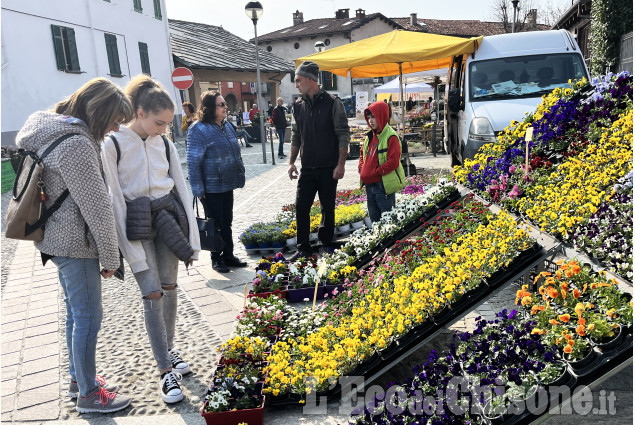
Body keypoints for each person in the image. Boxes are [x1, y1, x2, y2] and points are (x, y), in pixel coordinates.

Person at [15, 78, 133, 413]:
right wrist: (111, 258)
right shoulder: (77, 145)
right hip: (74, 243)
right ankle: (89, 396)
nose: (114, 129)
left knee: (74, 313)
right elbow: (97, 208)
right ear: (98, 114)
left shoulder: (48, 126)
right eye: (113, 121)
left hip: (53, 237)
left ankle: (77, 379)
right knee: (88, 318)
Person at [101, 75, 200, 404]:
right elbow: (114, 198)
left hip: (166, 219)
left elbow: (181, 188)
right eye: (160, 122)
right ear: (140, 112)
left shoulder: (165, 143)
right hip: (136, 225)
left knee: (171, 290)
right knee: (152, 294)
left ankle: (169, 351)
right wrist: (124, 251)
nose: (164, 129)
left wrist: (193, 238)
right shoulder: (113, 143)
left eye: (168, 123)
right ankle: (163, 371)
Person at [288, 61, 350, 258]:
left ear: (309, 79)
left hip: (328, 167)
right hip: (307, 168)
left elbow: (343, 133)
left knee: (327, 208)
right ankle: (303, 248)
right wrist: (291, 162)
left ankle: (325, 245)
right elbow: (296, 135)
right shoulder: (298, 106)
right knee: (301, 207)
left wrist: (340, 164)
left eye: (298, 80)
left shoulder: (333, 102)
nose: (296, 84)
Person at [187, 91, 248, 273]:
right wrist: (198, 188)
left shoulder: (226, 126)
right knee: (216, 224)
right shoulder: (198, 129)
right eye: (221, 105)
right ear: (210, 108)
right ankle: (217, 258)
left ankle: (228, 255)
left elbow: (235, 152)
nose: (225, 107)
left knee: (226, 221)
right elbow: (193, 161)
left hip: (227, 184)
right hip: (211, 187)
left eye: (224, 104)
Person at [358, 101, 406, 222]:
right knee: (375, 222)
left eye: (373, 116)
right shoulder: (370, 136)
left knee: (387, 222)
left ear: (382, 116)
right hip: (369, 187)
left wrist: (375, 172)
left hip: (383, 187)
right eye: (369, 117)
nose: (370, 120)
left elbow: (393, 162)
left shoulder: (391, 137)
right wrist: (362, 169)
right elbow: (362, 154)